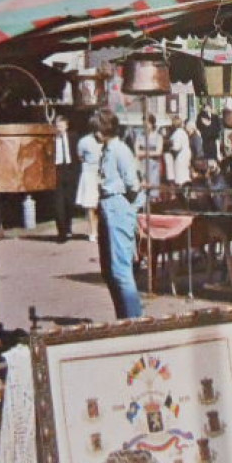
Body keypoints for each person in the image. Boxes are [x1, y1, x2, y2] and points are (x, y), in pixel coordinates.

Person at [93, 108, 145, 320]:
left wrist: (127, 210)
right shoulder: (105, 150)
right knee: (109, 271)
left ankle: (134, 320)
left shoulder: (120, 150)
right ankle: (122, 317)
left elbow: (133, 183)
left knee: (121, 270)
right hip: (106, 207)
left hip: (117, 206)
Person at [52, 113, 79, 242]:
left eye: (61, 125)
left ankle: (68, 227)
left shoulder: (73, 137)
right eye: (57, 126)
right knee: (58, 204)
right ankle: (61, 233)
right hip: (57, 171)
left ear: (66, 126)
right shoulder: (52, 139)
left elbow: (77, 155)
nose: (59, 128)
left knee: (69, 202)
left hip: (70, 170)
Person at [75, 117, 102, 240]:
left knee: (101, 205)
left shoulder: (104, 140)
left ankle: (100, 231)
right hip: (90, 173)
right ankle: (93, 232)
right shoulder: (84, 141)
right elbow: (80, 157)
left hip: (102, 173)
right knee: (91, 205)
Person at [167, 114, 193, 190]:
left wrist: (169, 148)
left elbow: (176, 147)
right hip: (185, 155)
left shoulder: (177, 133)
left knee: (180, 177)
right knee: (185, 175)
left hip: (180, 157)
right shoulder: (183, 132)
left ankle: (182, 192)